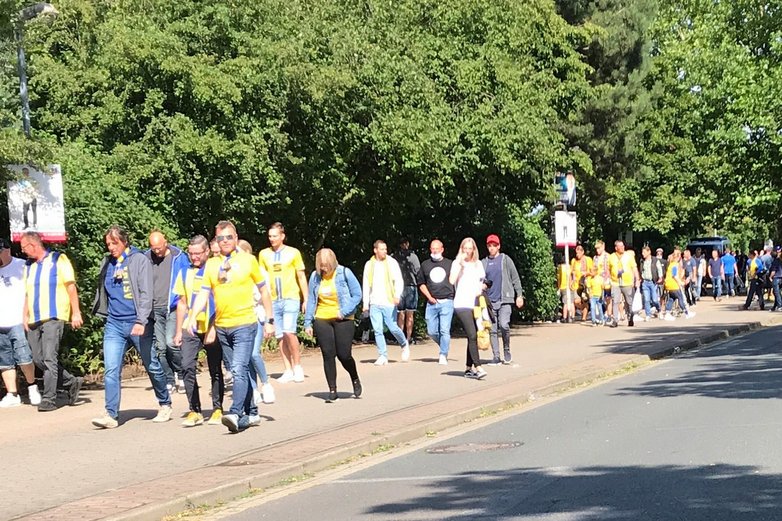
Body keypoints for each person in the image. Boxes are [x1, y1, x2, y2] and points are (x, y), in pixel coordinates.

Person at [185, 220, 275, 433]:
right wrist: (192, 316)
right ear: (215, 241)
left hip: (245, 323)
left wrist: (270, 320)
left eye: (229, 237)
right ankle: (252, 412)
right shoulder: (212, 265)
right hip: (223, 326)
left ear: (236, 238)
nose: (224, 241)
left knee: (238, 368)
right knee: (236, 369)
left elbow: (264, 290)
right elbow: (204, 294)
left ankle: (235, 412)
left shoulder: (248, 260)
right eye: (220, 238)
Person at [91, 225, 172, 429]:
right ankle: (111, 414)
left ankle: (164, 403)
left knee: (152, 364)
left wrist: (141, 320)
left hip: (137, 322)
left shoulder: (139, 260)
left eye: (114, 243)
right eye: (108, 243)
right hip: (115, 323)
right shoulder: (108, 262)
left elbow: (146, 293)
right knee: (111, 369)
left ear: (124, 241)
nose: (111, 247)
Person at [20, 231, 83, 411]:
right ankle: (71, 381)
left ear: (34, 245)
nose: (23, 251)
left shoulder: (58, 259)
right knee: (38, 358)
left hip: (54, 316)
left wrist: (76, 312)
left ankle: (49, 398)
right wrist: (24, 314)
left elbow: (71, 287)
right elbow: (27, 292)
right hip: (34, 318)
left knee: (49, 357)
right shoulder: (28, 266)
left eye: (24, 248)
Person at [172, 235, 224, 427]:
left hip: (211, 325)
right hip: (190, 327)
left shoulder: (215, 270)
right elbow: (182, 304)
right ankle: (195, 410)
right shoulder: (184, 273)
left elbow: (220, 301)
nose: (194, 257)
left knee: (215, 368)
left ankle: (218, 408)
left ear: (206, 252)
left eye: (197, 254)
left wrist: (213, 327)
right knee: (186, 366)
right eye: (191, 254)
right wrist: (178, 330)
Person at [303, 248, 363, 402]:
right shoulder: (315, 277)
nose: (324, 268)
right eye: (321, 265)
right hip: (322, 318)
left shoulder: (344, 273)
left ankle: (354, 377)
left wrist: (344, 311)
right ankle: (332, 389)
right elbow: (311, 300)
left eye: (327, 265)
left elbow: (357, 294)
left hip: (343, 318)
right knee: (328, 354)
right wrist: (308, 323)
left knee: (344, 355)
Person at [258, 223, 308, 384]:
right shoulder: (264, 254)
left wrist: (306, 298)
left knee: (289, 331)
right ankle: (287, 369)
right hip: (273, 300)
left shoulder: (293, 253)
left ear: (282, 236)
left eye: (275, 236)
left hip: (291, 297)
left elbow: (300, 276)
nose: (272, 239)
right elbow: (261, 278)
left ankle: (297, 366)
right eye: (270, 236)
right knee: (279, 335)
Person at [146, 231, 189, 394]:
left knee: (172, 343)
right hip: (154, 308)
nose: (156, 251)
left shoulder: (179, 257)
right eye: (153, 248)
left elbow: (186, 278)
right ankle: (169, 379)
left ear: (166, 242)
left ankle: (181, 373)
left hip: (173, 306)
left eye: (159, 248)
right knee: (160, 347)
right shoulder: (146, 258)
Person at [0, 238, 40, 408]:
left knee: (24, 356)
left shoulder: (23, 266)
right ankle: (12, 393)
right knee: (4, 360)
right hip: (1, 321)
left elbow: (33, 290)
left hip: (18, 319)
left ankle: (32, 387)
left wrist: (29, 314)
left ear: (6, 250)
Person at [237, 240, 275, 405]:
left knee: (253, 353)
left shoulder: (259, 271)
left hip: (256, 315)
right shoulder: (233, 270)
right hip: (240, 318)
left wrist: (269, 320)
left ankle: (266, 384)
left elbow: (264, 295)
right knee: (245, 358)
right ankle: (253, 389)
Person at [362, 240, 409, 365]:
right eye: (382, 249)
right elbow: (366, 284)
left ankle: (404, 344)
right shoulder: (369, 265)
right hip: (375, 302)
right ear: (375, 250)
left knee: (393, 327)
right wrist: (365, 304)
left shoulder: (392, 263)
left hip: (389, 301)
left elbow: (399, 280)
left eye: (385, 249)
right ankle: (382, 355)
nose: (384, 251)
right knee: (377, 329)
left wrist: (397, 295)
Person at [482, 234, 524, 365]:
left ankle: (506, 348)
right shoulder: (484, 263)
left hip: (505, 299)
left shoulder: (505, 260)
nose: (492, 248)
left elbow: (515, 278)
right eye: (489, 246)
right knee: (492, 329)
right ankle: (496, 356)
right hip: (490, 301)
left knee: (504, 324)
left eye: (494, 245)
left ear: (498, 246)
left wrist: (519, 295)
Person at [449, 238, 487, 380]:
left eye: (470, 248)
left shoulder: (478, 264)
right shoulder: (457, 263)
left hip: (475, 303)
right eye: (465, 248)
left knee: (474, 334)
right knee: (472, 334)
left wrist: (483, 287)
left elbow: (481, 282)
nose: (467, 251)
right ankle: (478, 367)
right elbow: (451, 280)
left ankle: (468, 368)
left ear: (474, 250)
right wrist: (460, 263)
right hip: (462, 303)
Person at [417, 239, 455, 365]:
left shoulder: (450, 264)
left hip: (447, 301)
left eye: (437, 248)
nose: (434, 251)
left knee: (444, 330)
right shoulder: (425, 265)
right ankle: (444, 344)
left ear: (442, 249)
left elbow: (456, 280)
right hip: (432, 302)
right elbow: (421, 283)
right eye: (432, 248)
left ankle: (443, 354)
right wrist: (429, 297)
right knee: (431, 331)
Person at [392, 238, 420, 346]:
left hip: (404, 286)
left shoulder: (395, 257)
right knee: (406, 313)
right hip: (408, 286)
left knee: (403, 313)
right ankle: (406, 338)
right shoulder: (412, 256)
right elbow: (418, 271)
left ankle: (403, 338)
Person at [608, 240, 639, 327]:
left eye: (623, 246)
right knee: (615, 301)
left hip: (627, 282)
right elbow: (608, 269)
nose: (622, 248)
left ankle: (630, 317)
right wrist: (609, 278)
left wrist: (637, 279)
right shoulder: (611, 257)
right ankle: (615, 320)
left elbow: (634, 268)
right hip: (615, 282)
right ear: (616, 248)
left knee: (629, 302)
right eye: (620, 246)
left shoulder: (629, 256)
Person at [661, 249, 695, 321]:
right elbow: (674, 275)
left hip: (669, 284)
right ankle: (687, 313)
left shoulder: (671, 264)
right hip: (673, 284)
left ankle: (667, 313)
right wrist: (680, 282)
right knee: (680, 298)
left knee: (671, 299)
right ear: (678, 257)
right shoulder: (675, 264)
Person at [568, 244, 591, 324]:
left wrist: (586, 273)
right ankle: (583, 309)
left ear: (582, 252)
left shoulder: (588, 260)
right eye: (576, 253)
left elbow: (592, 271)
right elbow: (571, 273)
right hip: (576, 285)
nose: (577, 255)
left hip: (584, 284)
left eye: (578, 253)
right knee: (576, 301)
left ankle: (584, 317)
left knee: (584, 301)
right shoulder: (574, 261)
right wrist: (570, 282)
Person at [639, 245, 663, 320]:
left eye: (644, 252)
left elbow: (659, 269)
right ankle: (648, 314)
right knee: (646, 299)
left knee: (655, 299)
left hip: (653, 282)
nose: (643, 254)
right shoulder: (642, 261)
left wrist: (660, 277)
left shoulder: (655, 260)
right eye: (642, 252)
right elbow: (641, 270)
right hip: (645, 282)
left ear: (649, 252)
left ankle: (659, 310)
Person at [593, 241, 612, 321]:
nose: (597, 250)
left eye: (599, 248)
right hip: (597, 281)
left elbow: (610, 268)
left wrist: (607, 278)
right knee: (599, 298)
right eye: (596, 249)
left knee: (608, 298)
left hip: (606, 280)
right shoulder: (595, 258)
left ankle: (609, 315)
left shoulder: (608, 256)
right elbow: (594, 268)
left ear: (603, 247)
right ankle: (601, 315)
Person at [557, 254, 573, 322]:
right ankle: (570, 316)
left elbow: (558, 278)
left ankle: (564, 317)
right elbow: (570, 277)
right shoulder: (569, 267)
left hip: (562, 287)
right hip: (568, 287)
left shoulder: (559, 267)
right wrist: (570, 285)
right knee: (569, 302)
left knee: (564, 302)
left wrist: (558, 287)